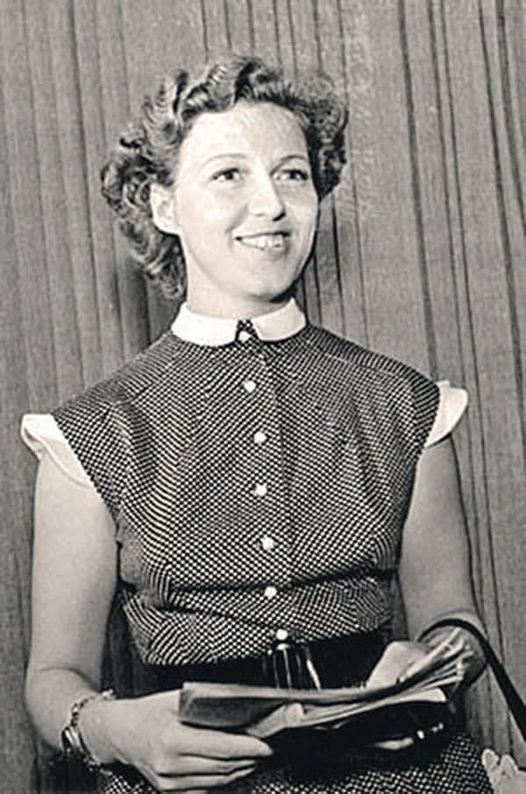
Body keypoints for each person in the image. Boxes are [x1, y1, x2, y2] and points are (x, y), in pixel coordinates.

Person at [21, 55, 492, 792]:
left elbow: (455, 620)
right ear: (164, 204)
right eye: (229, 175)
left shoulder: (408, 404)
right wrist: (119, 731)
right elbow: (53, 677)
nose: (271, 204)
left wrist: (438, 661)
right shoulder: (90, 433)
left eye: (292, 174)